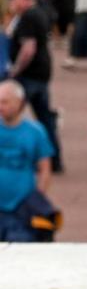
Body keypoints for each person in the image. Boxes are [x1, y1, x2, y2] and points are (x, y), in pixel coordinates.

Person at [7, 0, 61, 174]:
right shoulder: (39, 13)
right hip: (41, 72)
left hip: (29, 75)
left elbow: (28, 48)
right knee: (45, 118)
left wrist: (15, 70)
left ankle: (15, 157)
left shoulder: (29, 17)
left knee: (9, 113)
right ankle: (54, 160)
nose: (12, 3)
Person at [0, 80, 52, 242]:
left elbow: (45, 167)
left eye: (5, 102)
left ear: (20, 103)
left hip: (21, 208)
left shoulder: (35, 132)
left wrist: (38, 197)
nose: (1, 106)